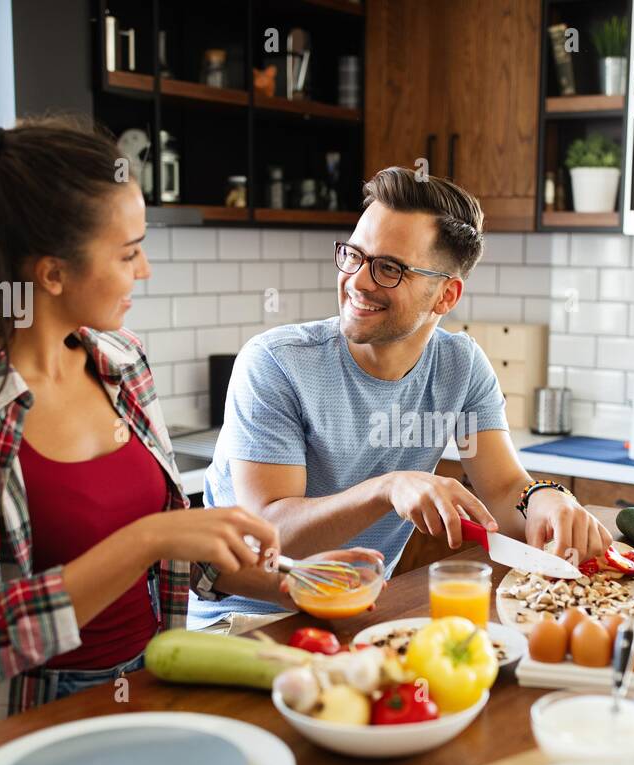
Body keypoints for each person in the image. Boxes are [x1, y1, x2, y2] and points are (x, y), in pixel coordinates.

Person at [0, 112, 373, 746]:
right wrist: (148, 537)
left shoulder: (121, 363)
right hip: (18, 727)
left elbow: (182, 559)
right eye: (128, 253)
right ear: (51, 272)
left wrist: (296, 575)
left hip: (149, 690)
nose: (144, 270)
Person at [194, 167, 610, 630]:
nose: (359, 281)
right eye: (354, 255)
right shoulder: (276, 364)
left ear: (445, 296)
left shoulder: (460, 366)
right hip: (243, 624)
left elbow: (504, 491)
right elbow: (268, 538)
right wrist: (388, 488)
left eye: (389, 268)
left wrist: (545, 501)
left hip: (357, 618)